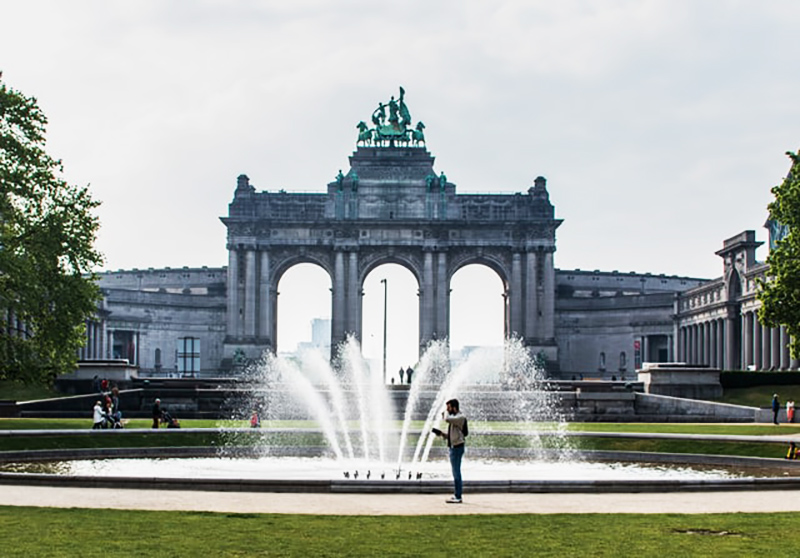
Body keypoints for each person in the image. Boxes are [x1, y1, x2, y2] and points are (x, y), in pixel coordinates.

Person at [434, 398, 467, 503]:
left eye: (448, 407)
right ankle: (457, 495)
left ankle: (458, 497)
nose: (447, 410)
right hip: (454, 447)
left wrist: (445, 413)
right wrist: (442, 434)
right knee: (455, 472)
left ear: (454, 407)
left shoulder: (460, 417)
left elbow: (447, 419)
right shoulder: (455, 419)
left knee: (456, 472)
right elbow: (452, 436)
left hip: (457, 448)